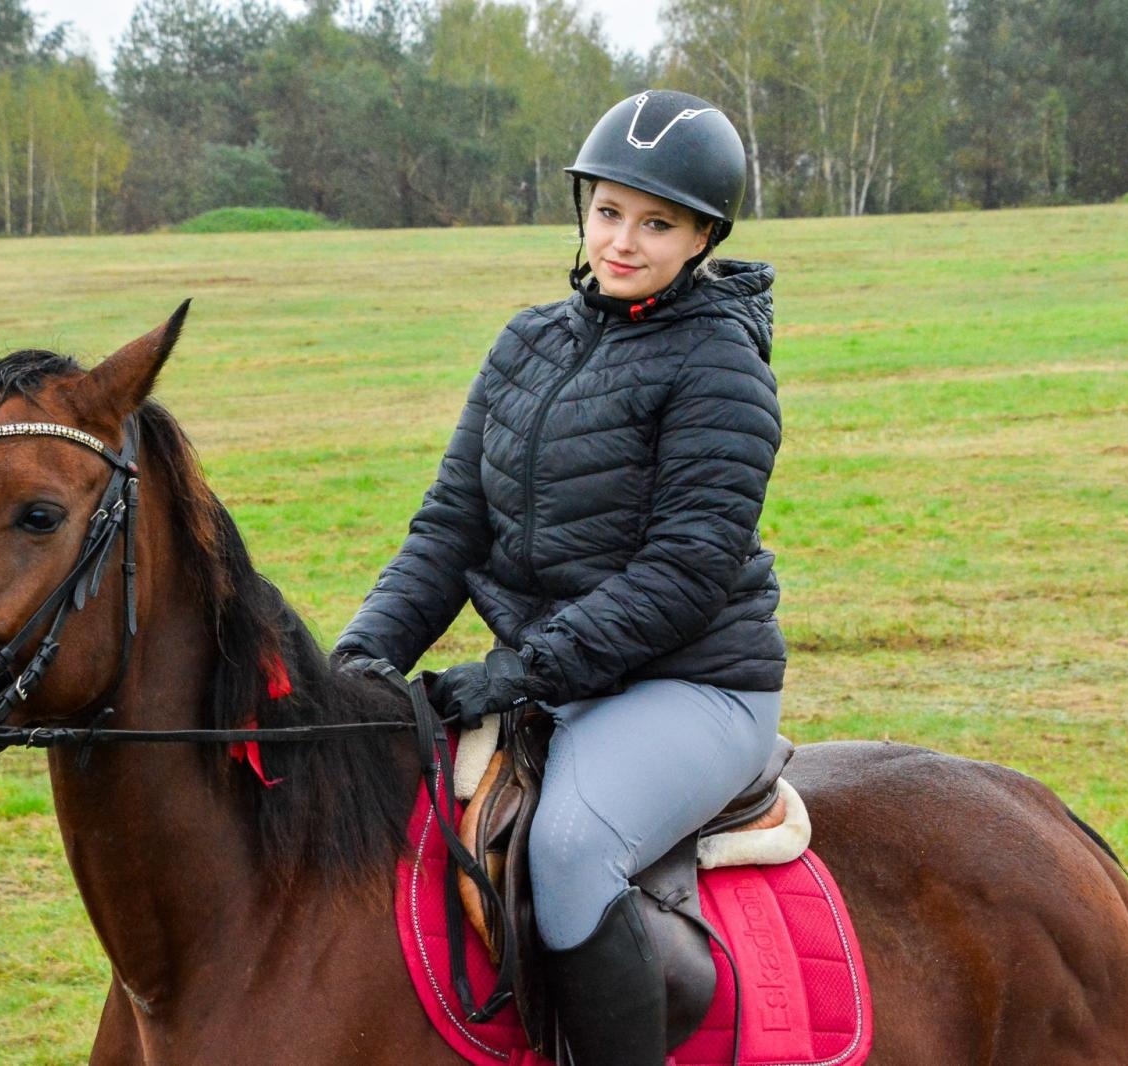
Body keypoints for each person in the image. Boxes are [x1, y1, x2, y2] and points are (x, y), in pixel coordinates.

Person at [334, 89, 785, 1066]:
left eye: (656, 222)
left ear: (702, 234)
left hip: (690, 683)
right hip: (555, 678)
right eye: (608, 210)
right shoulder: (524, 343)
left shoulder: (721, 366)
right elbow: (449, 527)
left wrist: (513, 675)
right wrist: (363, 655)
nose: (622, 240)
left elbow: (685, 571)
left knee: (570, 849)